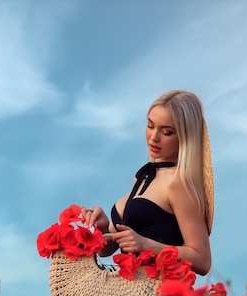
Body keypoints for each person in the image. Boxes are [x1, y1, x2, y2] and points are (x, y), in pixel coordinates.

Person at [81, 90, 214, 276]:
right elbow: (106, 250)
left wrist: (146, 245)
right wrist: (103, 227)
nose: (154, 137)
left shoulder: (178, 182)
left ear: (186, 137)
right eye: (150, 126)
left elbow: (202, 260)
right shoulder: (145, 177)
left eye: (166, 132)